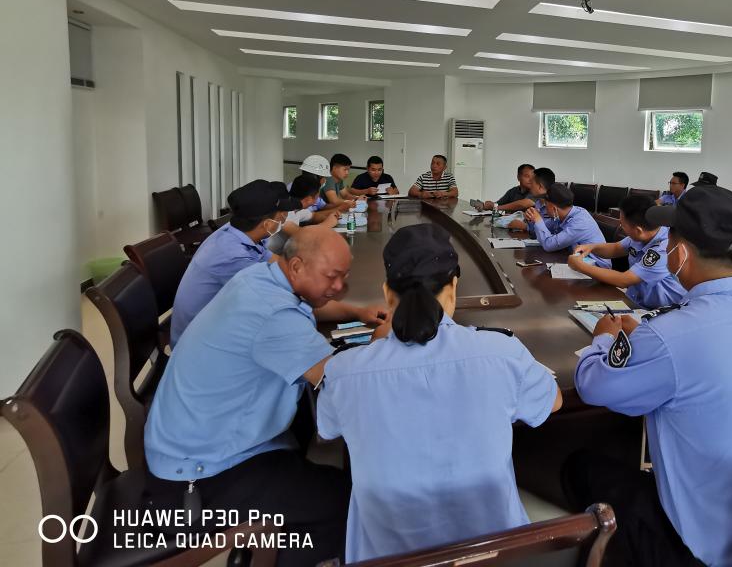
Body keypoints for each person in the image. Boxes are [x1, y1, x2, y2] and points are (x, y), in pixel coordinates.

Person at [566, 186, 732, 567]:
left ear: (682, 252)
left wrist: (603, 340)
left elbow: (594, 386)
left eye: (670, 238)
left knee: (579, 467)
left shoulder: (672, 335)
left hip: (709, 549)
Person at [317, 224, 561, 562]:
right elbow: (553, 401)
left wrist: (372, 350)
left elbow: (327, 429)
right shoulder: (502, 352)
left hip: (385, 558)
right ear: (454, 287)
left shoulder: (344, 371)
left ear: (387, 293)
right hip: (495, 555)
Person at [143, 228, 365, 565]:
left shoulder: (259, 279)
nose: (338, 287)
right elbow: (342, 384)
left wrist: (356, 314)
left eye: (344, 277)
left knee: (315, 444)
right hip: (198, 475)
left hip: (191, 441)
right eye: (331, 277)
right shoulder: (274, 315)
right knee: (345, 503)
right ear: (296, 266)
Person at [171, 179, 299, 347]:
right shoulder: (232, 255)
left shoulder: (242, 232)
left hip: (214, 323)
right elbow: (277, 294)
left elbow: (277, 263)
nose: (284, 220)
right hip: (195, 344)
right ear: (267, 224)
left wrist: (299, 271)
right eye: (282, 216)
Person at [568, 194, 686, 309]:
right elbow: (615, 248)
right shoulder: (641, 235)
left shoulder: (662, 249)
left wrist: (580, 266)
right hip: (636, 300)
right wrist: (592, 247)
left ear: (638, 230)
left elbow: (624, 280)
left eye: (622, 225)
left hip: (662, 310)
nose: (620, 226)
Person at [266, 174, 341, 254]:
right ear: (308, 199)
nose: (317, 201)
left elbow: (313, 216)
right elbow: (303, 235)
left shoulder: (297, 208)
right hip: (271, 257)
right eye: (317, 197)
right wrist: (328, 223)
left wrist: (331, 216)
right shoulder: (283, 212)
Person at [523, 183, 605, 252]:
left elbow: (549, 245)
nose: (545, 208)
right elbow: (542, 230)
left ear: (554, 208)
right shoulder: (561, 215)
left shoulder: (580, 222)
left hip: (594, 263)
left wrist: (538, 220)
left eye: (546, 205)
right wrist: (532, 219)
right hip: (575, 258)